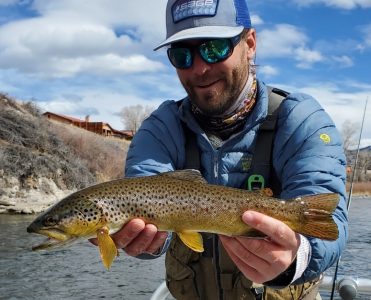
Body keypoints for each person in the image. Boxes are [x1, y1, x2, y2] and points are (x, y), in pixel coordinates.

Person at [108, 0, 348, 299]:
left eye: (215, 48)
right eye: (182, 55)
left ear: (250, 43)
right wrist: (147, 244)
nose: (200, 68)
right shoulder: (160, 129)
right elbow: (142, 199)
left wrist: (296, 257)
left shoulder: (301, 121)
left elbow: (330, 223)